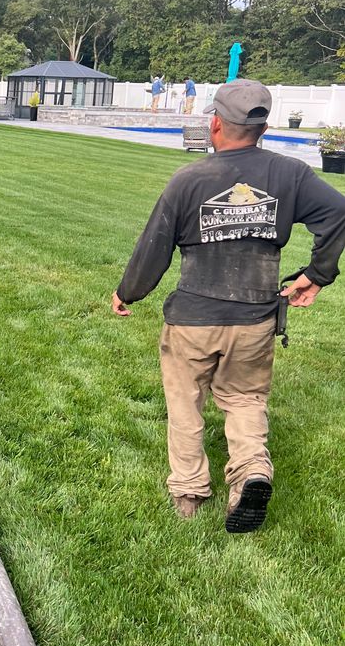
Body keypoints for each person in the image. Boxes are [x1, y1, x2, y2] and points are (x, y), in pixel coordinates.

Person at [112, 79, 345, 533]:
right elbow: (339, 213)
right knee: (244, 399)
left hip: (193, 319)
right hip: (255, 319)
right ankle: (251, 473)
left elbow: (154, 246)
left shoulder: (190, 179)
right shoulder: (290, 174)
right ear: (262, 127)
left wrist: (129, 292)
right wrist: (316, 275)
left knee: (185, 401)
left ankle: (188, 491)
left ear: (215, 123)